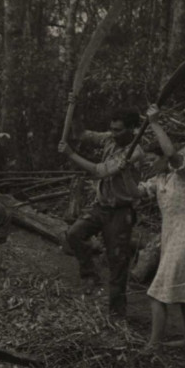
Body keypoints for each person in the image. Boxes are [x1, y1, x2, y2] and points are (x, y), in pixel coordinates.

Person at [123, 105, 185, 349]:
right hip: (173, 238)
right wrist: (124, 173)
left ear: (161, 158)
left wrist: (154, 123)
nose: (149, 165)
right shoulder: (158, 179)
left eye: (152, 160)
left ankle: (153, 345)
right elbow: (135, 192)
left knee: (155, 293)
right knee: (184, 290)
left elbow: (172, 154)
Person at [58, 107, 147, 318]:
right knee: (73, 234)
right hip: (101, 207)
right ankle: (90, 274)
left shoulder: (135, 152)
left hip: (120, 212)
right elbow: (81, 134)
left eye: (118, 130)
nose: (113, 133)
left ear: (133, 130)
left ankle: (116, 312)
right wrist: (74, 108)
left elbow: (102, 171)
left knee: (117, 261)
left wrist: (71, 154)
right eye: (112, 129)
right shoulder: (110, 139)